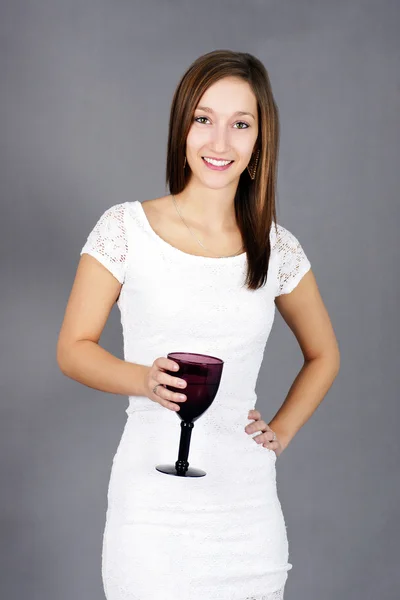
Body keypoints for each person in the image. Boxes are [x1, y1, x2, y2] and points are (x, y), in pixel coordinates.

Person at [57, 49, 340, 600]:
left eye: (241, 125)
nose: (219, 142)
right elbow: (73, 348)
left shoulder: (276, 248)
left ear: (259, 142)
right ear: (182, 127)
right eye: (204, 119)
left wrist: (280, 432)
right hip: (152, 515)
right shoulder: (125, 228)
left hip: (246, 515)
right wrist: (143, 380)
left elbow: (325, 353)